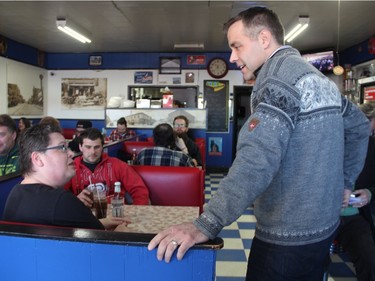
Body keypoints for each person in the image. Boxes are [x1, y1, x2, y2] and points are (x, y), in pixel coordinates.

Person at [147, 7, 370, 281]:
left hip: (287, 238)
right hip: (323, 228)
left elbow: (256, 161)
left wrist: (206, 224)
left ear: (264, 39)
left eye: (236, 46)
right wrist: (345, 183)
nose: (232, 57)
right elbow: (360, 126)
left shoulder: (277, 80)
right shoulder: (316, 78)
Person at [3, 124, 125, 230]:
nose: (71, 153)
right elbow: (102, 241)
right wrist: (122, 232)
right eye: (62, 148)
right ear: (38, 158)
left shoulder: (15, 193)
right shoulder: (60, 200)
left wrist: (101, 223)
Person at [336, 103, 375, 281]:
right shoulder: (332, 144)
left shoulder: (373, 148)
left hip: (354, 217)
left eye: (368, 122)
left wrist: (369, 193)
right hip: (321, 217)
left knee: (369, 259)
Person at [65, 128, 149, 207]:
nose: (93, 152)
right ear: (80, 147)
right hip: (82, 214)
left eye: (97, 147)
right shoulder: (70, 168)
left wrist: (136, 212)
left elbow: (139, 191)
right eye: (88, 147)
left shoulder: (118, 165)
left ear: (102, 147)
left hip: (115, 213)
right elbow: (59, 196)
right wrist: (74, 200)